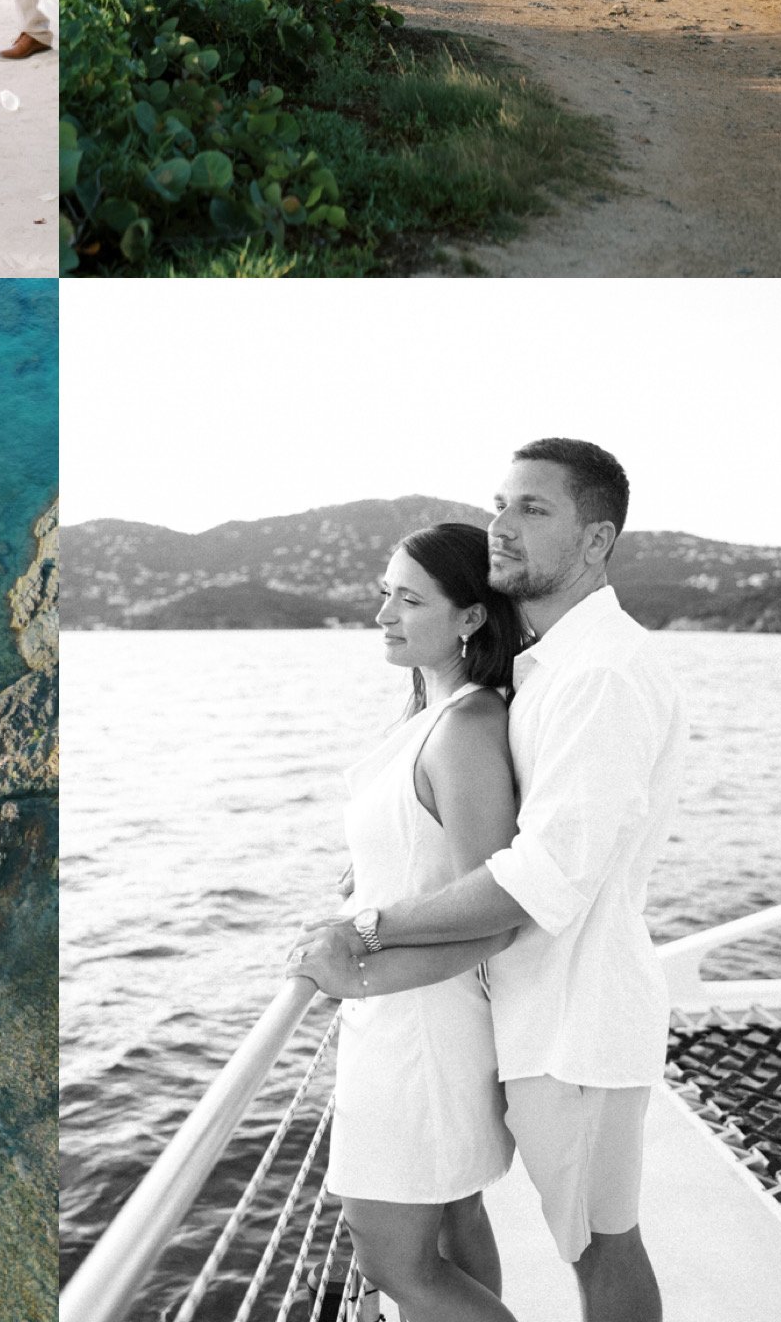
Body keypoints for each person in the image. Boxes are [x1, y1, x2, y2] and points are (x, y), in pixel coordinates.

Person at [294, 439, 690, 1322]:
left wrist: (367, 935)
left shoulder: (601, 674)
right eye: (500, 504)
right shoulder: (548, 671)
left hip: (575, 1019)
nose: (502, 525)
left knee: (600, 1249)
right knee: (577, 1243)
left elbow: (536, 878)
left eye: (534, 509)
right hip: (533, 1015)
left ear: (597, 541)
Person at [302, 520, 527, 1321]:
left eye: (408, 598)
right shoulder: (428, 711)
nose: (384, 614)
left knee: (390, 1254)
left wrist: (361, 956)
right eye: (382, 595)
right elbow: (423, 848)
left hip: (420, 1030)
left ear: (469, 617)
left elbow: (494, 914)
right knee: (455, 1216)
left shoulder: (466, 728)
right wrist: (371, 876)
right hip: (411, 1019)